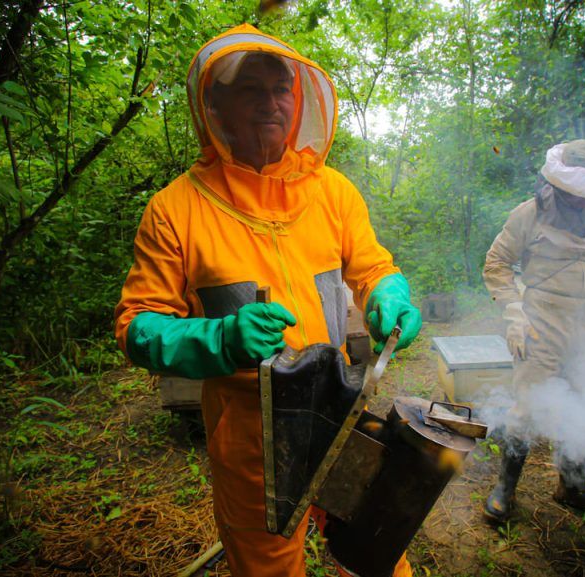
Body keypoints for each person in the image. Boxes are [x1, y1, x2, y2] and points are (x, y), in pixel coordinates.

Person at [114, 24, 421, 577]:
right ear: (215, 105)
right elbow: (137, 327)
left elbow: (373, 266)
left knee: (377, 551)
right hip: (251, 434)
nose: (270, 104)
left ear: (299, 101)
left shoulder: (332, 191)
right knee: (267, 568)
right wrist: (220, 339)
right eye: (250, 90)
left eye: (280, 89)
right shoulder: (175, 208)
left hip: (341, 409)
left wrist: (387, 293)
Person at [481, 139, 585, 523]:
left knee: (583, 405)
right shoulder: (529, 214)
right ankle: (505, 489)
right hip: (541, 322)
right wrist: (515, 312)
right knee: (528, 406)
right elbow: (497, 264)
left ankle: (573, 488)